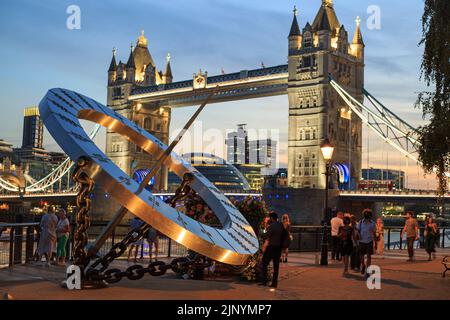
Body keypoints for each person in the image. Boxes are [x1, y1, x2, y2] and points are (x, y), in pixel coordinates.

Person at [260, 212, 286, 288]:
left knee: (264, 262)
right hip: (278, 248)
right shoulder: (281, 225)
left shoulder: (272, 226)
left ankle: (264, 281)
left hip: (271, 247)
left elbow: (265, 235)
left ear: (271, 218)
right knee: (276, 265)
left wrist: (261, 231)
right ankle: (274, 283)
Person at [357, 209, 375, 277]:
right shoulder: (360, 222)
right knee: (361, 256)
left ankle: (367, 270)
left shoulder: (372, 223)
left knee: (368, 256)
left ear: (370, 215)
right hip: (361, 241)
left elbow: (374, 233)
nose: (366, 215)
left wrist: (375, 243)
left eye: (368, 214)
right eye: (365, 214)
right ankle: (363, 265)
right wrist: (358, 236)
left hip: (369, 241)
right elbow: (358, 230)